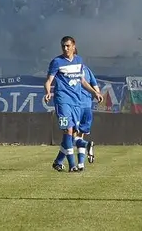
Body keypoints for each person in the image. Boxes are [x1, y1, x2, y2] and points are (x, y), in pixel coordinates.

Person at [43, 36, 102, 173]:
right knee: (67, 130)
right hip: (62, 101)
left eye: (68, 46)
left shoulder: (79, 60)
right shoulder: (57, 62)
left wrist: (94, 93)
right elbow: (48, 81)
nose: (65, 48)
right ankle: (72, 165)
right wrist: (48, 92)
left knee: (72, 134)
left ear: (74, 46)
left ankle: (59, 161)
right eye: (63, 46)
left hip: (76, 102)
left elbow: (82, 81)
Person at [75, 64, 98, 166]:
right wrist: (97, 95)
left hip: (75, 106)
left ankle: (87, 144)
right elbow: (96, 87)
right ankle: (81, 164)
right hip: (87, 106)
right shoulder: (87, 69)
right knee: (80, 135)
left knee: (70, 137)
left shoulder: (70, 68)